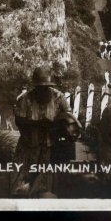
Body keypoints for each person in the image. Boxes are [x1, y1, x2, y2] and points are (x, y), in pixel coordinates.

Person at [10, 67, 79, 198]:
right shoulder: (25, 99)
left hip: (51, 148)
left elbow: (69, 118)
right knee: (21, 187)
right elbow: (19, 121)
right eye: (40, 87)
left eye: (46, 86)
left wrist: (57, 126)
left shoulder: (58, 98)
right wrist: (38, 124)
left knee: (46, 189)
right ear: (35, 86)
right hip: (28, 149)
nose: (43, 89)